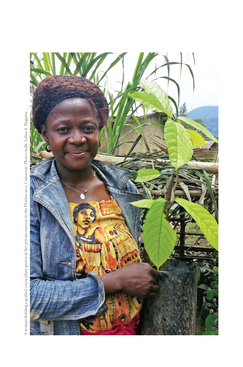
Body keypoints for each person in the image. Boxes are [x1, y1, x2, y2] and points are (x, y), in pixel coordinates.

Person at [30, 75, 159, 335]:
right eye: (63, 129)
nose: (78, 139)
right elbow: (29, 298)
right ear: (46, 133)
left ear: (99, 129)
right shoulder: (32, 195)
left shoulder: (123, 187)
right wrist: (115, 282)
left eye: (87, 128)